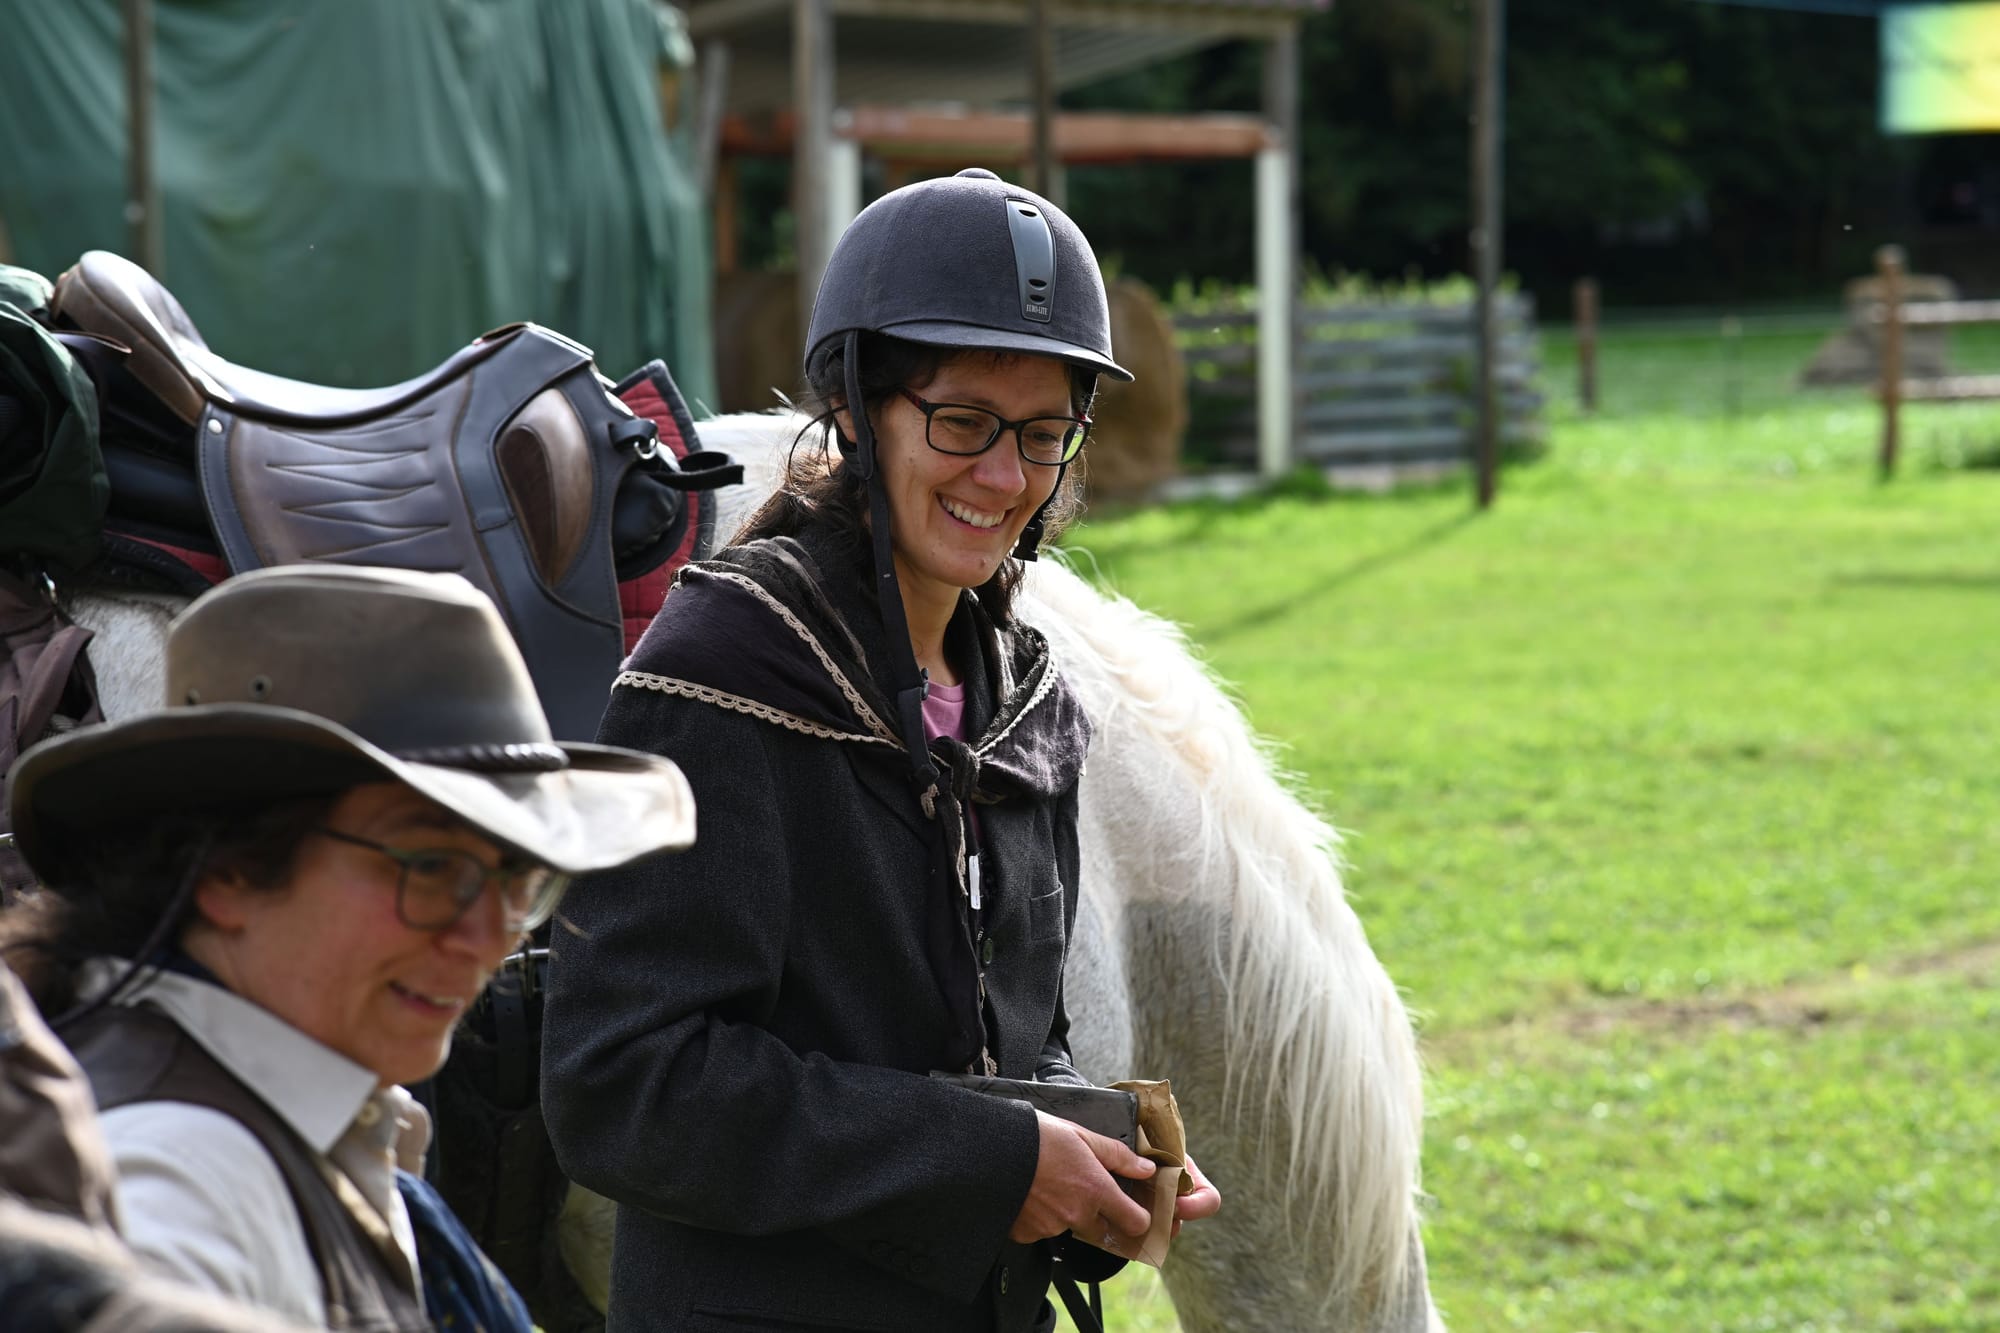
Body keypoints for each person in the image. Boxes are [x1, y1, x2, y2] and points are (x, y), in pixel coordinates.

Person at [541, 167, 1220, 1333]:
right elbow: (624, 1086)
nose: (1004, 477)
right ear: (855, 410)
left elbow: (1011, 1035)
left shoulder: (1027, 701)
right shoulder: (722, 678)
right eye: (961, 422)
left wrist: (1085, 1155)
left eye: (1046, 435)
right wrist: (992, 1162)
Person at [0, 564, 696, 1330]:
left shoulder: (326, 1113)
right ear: (226, 868)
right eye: (432, 868)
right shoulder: (178, 1173)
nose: (486, 940)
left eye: (519, 879)